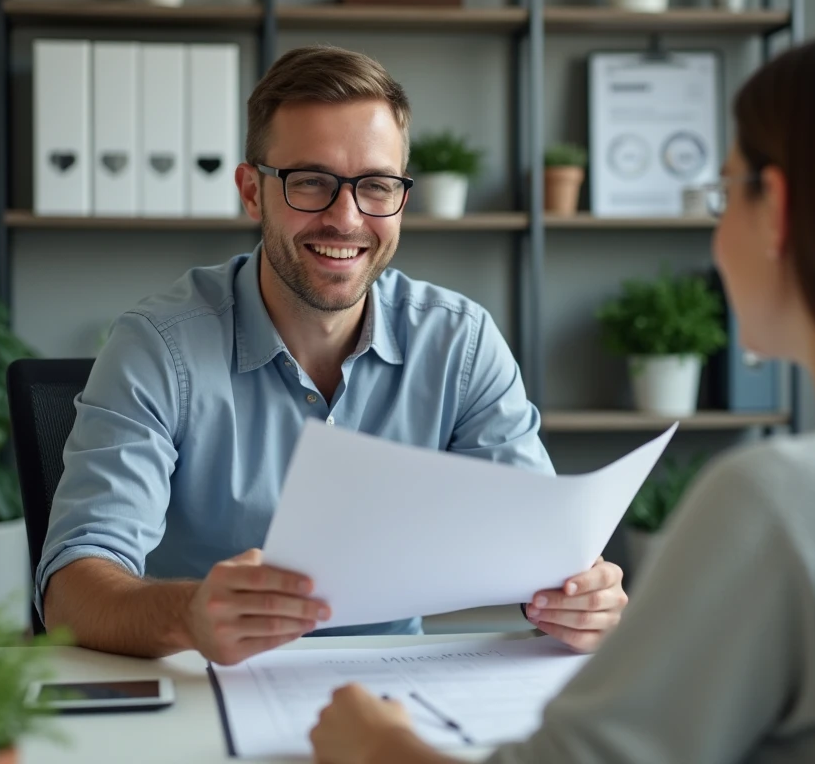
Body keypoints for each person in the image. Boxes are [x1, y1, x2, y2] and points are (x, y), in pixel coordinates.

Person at [309, 21, 815, 764]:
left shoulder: (775, 505)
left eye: (724, 197)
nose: (718, 241)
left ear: (776, 211)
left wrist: (375, 745)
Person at [36, 45, 627, 666]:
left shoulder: (460, 343)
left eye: (375, 185)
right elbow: (72, 594)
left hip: (398, 692)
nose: (345, 219)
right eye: (310, 182)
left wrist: (583, 601)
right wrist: (189, 614)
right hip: (205, 689)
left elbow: (547, 557)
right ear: (251, 191)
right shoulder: (159, 347)